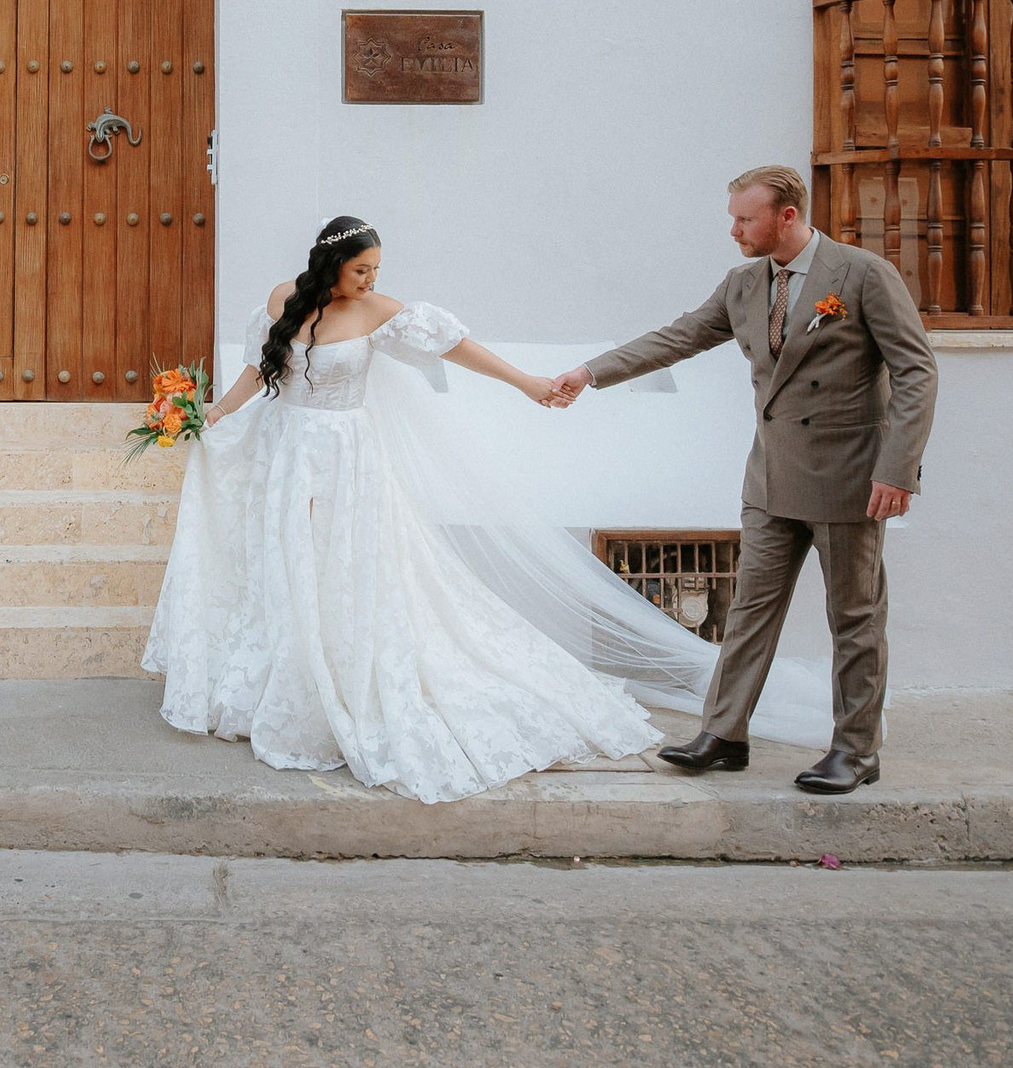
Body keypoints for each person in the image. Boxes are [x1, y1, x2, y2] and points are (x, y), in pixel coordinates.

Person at [145, 215, 813, 804]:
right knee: (288, 562)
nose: (371, 279)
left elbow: (454, 347)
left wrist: (527, 383)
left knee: (346, 570)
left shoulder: (379, 310)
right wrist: (213, 413)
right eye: (360, 269)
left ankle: (344, 677)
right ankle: (288, 678)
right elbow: (256, 374)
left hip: (350, 459)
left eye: (377, 269)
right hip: (288, 452)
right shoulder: (282, 299)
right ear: (330, 264)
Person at [550, 165, 938, 795]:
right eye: (733, 217)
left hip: (849, 480)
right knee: (750, 611)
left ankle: (856, 750)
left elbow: (916, 372)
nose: (733, 230)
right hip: (770, 478)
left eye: (744, 218)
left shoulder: (862, 275)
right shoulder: (743, 284)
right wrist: (590, 373)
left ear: (787, 216)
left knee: (855, 619)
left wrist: (898, 470)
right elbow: (677, 337)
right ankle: (724, 734)